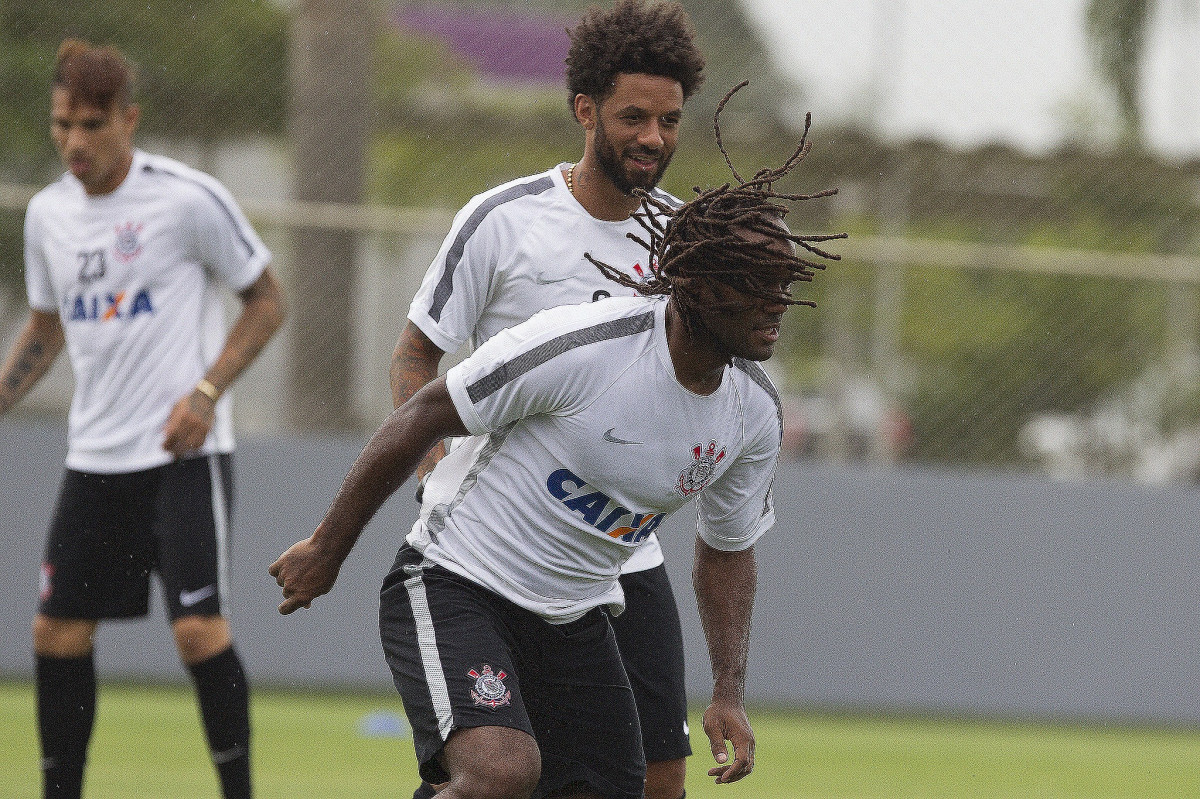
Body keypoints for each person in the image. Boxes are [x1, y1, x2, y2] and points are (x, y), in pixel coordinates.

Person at [271, 85, 844, 799]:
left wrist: (728, 689)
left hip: (574, 619)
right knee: (500, 774)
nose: (777, 305)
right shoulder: (585, 348)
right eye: (757, 284)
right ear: (694, 285)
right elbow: (423, 410)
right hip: (458, 584)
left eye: (784, 283)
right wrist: (329, 546)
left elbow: (727, 548)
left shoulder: (752, 412)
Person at [391, 3, 704, 797]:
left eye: (670, 120)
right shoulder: (504, 222)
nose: (654, 138)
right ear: (585, 109)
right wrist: (431, 465)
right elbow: (415, 354)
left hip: (624, 549)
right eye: (635, 116)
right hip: (502, 544)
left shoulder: (685, 245)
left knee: (659, 775)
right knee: (501, 772)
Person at [0, 39, 285, 799]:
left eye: (92, 124)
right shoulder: (49, 216)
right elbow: (46, 326)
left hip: (182, 453)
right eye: (63, 123)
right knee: (55, 633)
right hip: (95, 456)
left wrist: (206, 392)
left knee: (198, 630)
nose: (74, 141)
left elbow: (267, 300)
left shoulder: (187, 199)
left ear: (129, 119)